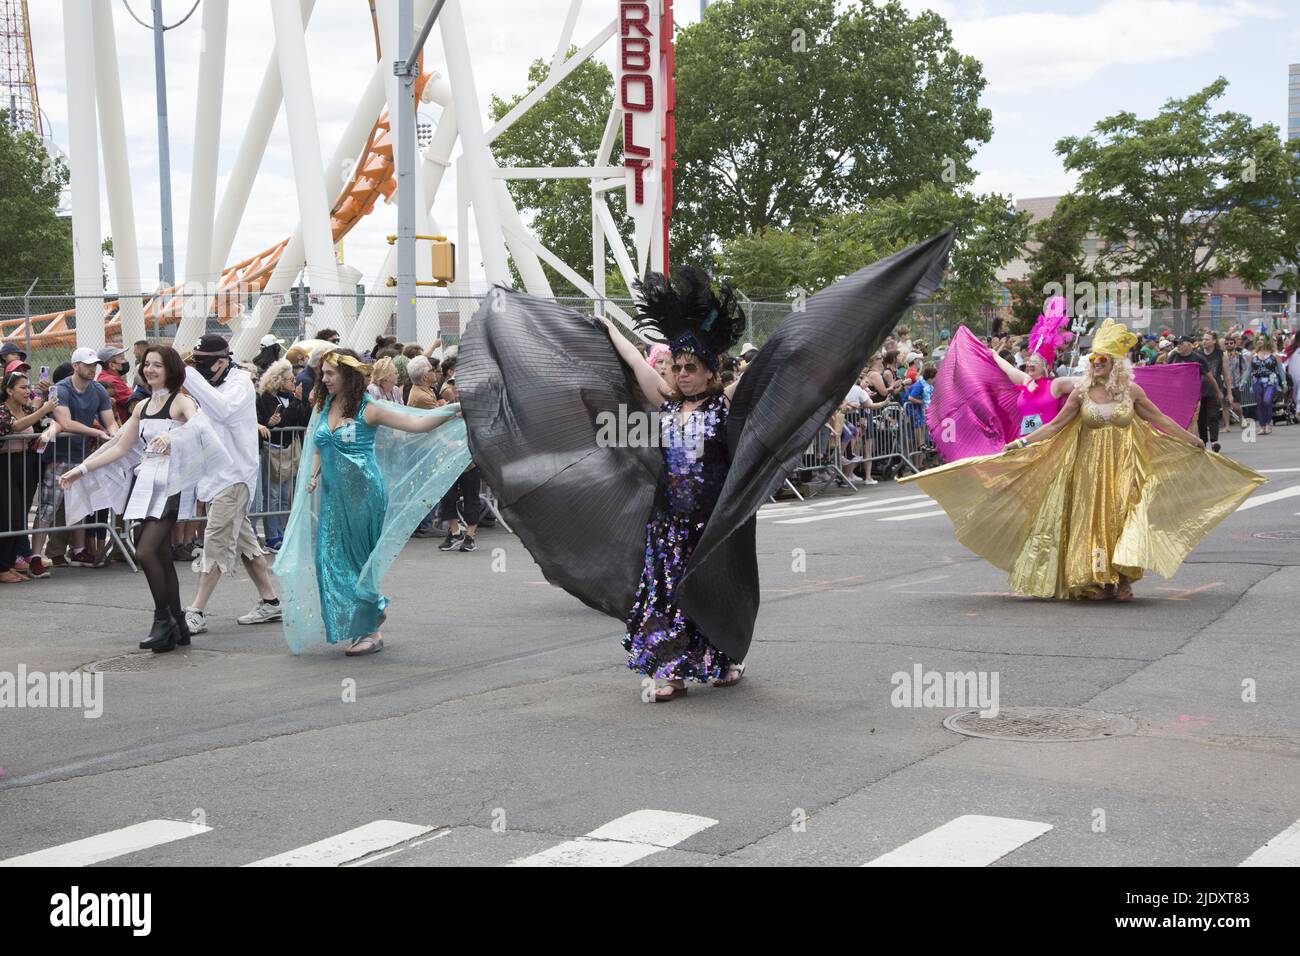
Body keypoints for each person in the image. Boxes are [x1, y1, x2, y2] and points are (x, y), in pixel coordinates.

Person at [900, 320, 1266, 602]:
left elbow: (1159, 419)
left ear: (1115, 363)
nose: (1096, 363)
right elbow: (1058, 425)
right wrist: (1021, 443)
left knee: (1122, 519)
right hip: (1088, 468)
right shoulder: (1079, 392)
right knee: (1093, 522)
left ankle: (1120, 580)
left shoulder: (1132, 392)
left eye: (1102, 358)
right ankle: (1097, 578)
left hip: (1125, 466)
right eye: (1092, 358)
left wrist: (1193, 440)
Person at [274, 347, 468, 655]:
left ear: (348, 376)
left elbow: (415, 422)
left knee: (359, 564)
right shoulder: (324, 407)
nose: (323, 379)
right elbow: (317, 447)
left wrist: (452, 409)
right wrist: (312, 474)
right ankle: (369, 613)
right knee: (328, 561)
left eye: (329, 374)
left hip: (365, 497)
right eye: (322, 373)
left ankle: (369, 632)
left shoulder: (369, 409)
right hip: (333, 499)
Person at [59, 345, 230, 652]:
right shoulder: (142, 406)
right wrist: (80, 470)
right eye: (147, 364)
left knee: (146, 551)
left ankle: (162, 621)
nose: (150, 369)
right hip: (146, 486)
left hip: (172, 486)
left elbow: (203, 428)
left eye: (157, 365)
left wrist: (175, 436)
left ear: (171, 369)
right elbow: (118, 448)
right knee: (161, 555)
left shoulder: (182, 401)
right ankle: (177, 625)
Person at [180, 333, 283, 634]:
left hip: (235, 477)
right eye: (194, 363)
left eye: (201, 363)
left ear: (222, 362)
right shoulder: (211, 382)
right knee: (246, 543)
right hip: (217, 477)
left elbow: (222, 410)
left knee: (215, 542)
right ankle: (270, 601)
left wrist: (188, 375)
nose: (197, 368)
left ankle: (196, 610)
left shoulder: (239, 384)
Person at [31, 347, 119, 568]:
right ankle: (35, 556)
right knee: (49, 506)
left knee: (81, 504)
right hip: (59, 456)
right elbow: (66, 422)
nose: (92, 368)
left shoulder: (98, 389)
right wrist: (98, 432)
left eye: (94, 364)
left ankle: (79, 550)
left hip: (82, 456)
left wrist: (117, 436)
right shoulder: (60, 389)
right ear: (75, 366)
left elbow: (111, 421)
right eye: (88, 364)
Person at [1, 365, 58, 583]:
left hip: (26, 463)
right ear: (9, 390)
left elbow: (47, 425)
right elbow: (13, 427)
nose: (28, 391)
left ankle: (8, 564)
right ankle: (2, 567)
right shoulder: (3, 410)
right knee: (8, 515)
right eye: (23, 387)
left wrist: (47, 430)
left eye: (29, 387)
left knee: (19, 517)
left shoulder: (27, 410)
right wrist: (41, 411)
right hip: (5, 465)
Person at [255, 358, 310, 550]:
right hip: (273, 449)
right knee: (272, 494)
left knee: (286, 493)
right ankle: (272, 535)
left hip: (289, 447)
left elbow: (302, 419)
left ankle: (282, 531)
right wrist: (293, 402)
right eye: (290, 380)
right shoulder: (267, 397)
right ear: (279, 380)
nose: (293, 382)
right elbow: (282, 422)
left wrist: (301, 400)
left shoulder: (292, 397)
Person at [1168, 335, 1222, 451]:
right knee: (1179, 419)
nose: (1178, 346)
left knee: (1192, 419)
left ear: (1189, 345)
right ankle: (1184, 443)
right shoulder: (1173, 356)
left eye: (1181, 343)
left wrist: (1218, 392)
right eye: (1177, 343)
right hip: (1177, 394)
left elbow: (1210, 377)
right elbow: (1167, 372)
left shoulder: (1198, 358)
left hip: (1193, 395)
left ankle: (1193, 444)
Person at [1250, 336, 1282, 435]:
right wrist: (1243, 381)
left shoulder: (1275, 355)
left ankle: (1268, 424)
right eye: (1258, 339)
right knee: (1259, 403)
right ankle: (1262, 426)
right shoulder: (1254, 354)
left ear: (1268, 341)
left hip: (1270, 382)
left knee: (1267, 401)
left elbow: (1281, 370)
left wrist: (1284, 381)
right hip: (1257, 381)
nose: (1260, 341)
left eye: (1262, 339)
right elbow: (1248, 370)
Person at [96, 347, 133, 425]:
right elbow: (135, 401)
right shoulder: (112, 382)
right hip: (121, 427)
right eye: (122, 358)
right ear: (112, 365)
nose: (126, 361)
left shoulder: (103, 376)